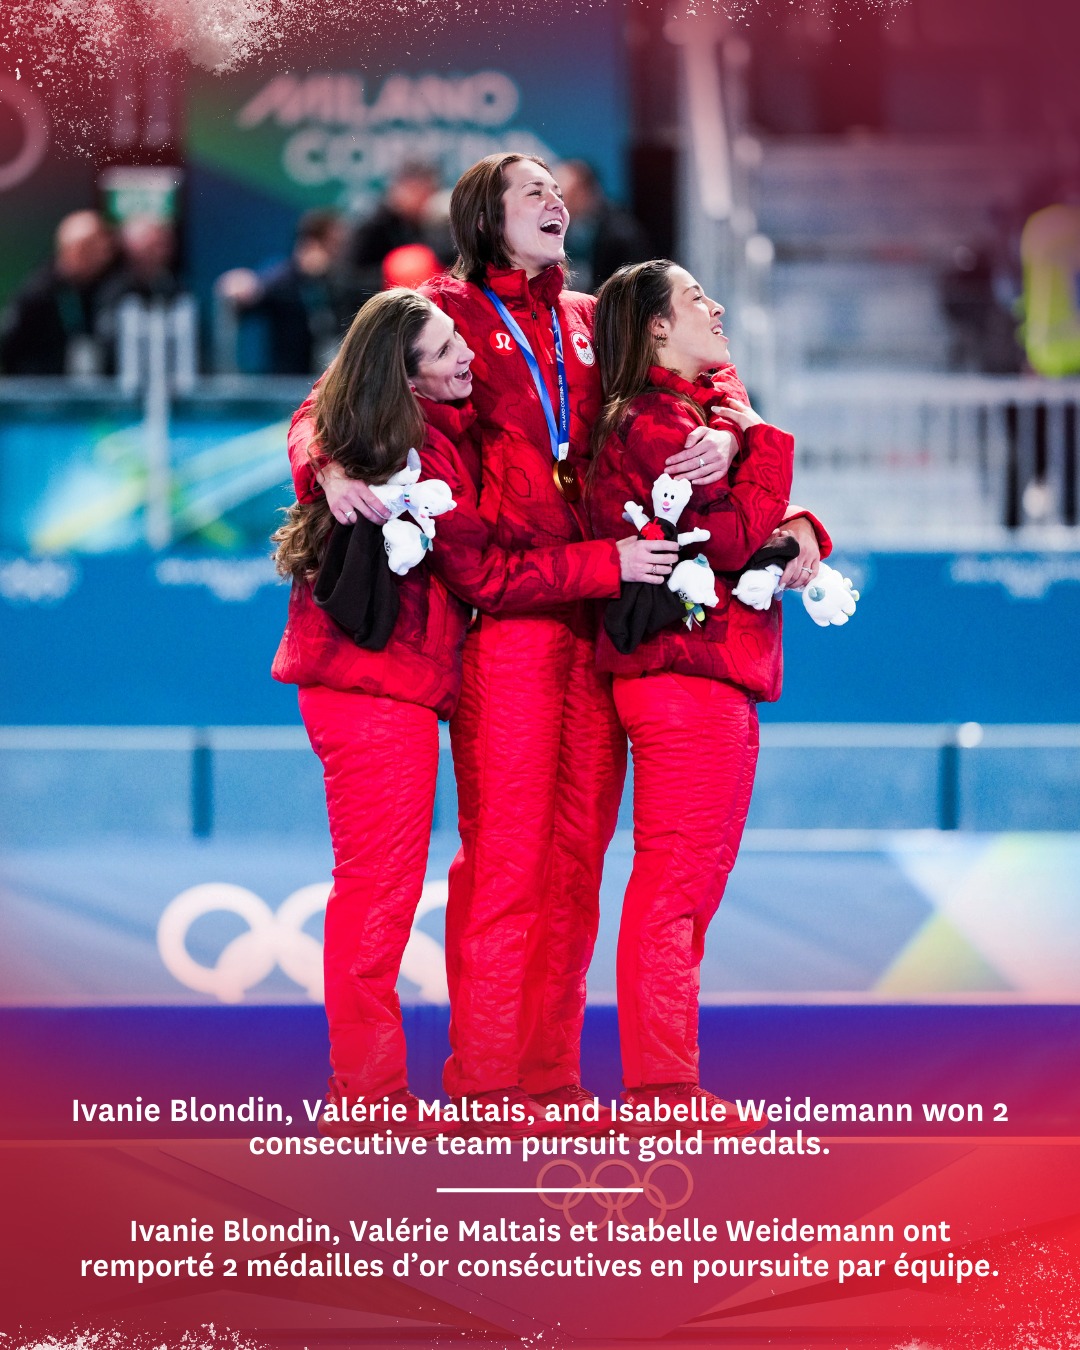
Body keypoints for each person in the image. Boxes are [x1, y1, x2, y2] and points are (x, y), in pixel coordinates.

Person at [588, 259, 831, 1130]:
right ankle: (662, 1091)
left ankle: (666, 1083)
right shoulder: (658, 422)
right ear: (656, 326)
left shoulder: (688, 414)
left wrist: (798, 520)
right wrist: (765, 441)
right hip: (686, 675)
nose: (715, 305)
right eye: (695, 297)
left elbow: (746, 526)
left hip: (703, 671)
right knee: (676, 885)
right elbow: (730, 539)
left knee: (688, 883)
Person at [271, 288, 475, 1134]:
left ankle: (367, 1090)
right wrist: (328, 465)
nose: (467, 353)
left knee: (383, 887)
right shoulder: (367, 441)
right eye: (447, 349)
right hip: (367, 690)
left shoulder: (401, 426)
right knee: (378, 889)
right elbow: (314, 413)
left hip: (390, 690)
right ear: (406, 376)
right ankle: (364, 1095)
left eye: (461, 338)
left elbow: (317, 413)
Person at [217, 210, 353, 374]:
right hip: (289, 378)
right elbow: (255, 292)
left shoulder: (339, 278)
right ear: (312, 244)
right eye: (334, 242)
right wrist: (245, 287)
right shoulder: (282, 278)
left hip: (329, 374)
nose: (340, 249)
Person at [0, 210, 117, 375]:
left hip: (87, 385)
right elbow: (8, 343)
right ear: (73, 250)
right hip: (39, 386)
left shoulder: (107, 286)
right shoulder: (39, 292)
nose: (104, 253)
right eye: (93, 247)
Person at [558, 159, 652, 292]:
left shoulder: (622, 234)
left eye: (565, 196)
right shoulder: (560, 228)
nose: (559, 203)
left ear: (583, 193)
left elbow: (636, 287)